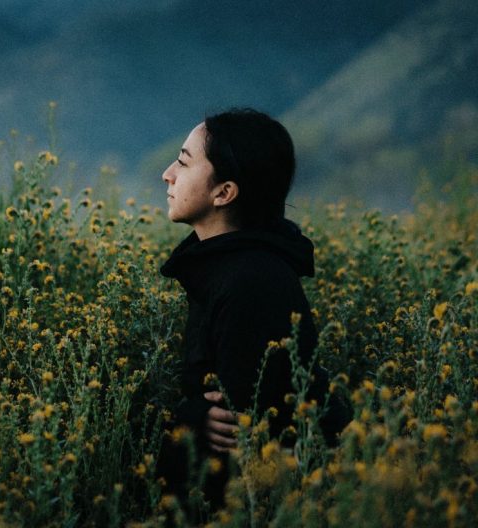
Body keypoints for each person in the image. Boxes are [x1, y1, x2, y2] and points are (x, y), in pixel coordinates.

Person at [155, 108, 337, 515]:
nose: (167, 174)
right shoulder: (226, 267)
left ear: (224, 193)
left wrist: (196, 419)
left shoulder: (251, 282)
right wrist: (196, 414)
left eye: (183, 162)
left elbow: (246, 432)